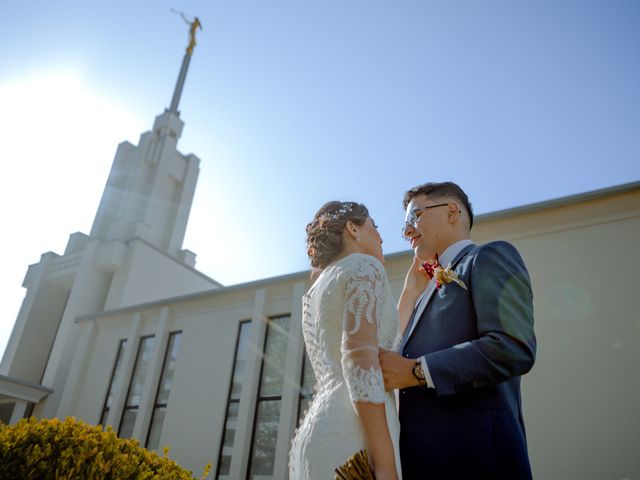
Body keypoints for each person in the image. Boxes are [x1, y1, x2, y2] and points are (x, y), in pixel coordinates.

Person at [379, 181, 536, 479]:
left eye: (415, 217)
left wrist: (417, 371)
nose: (407, 231)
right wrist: (410, 293)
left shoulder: (488, 258)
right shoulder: (421, 290)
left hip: (479, 460)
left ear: (452, 211)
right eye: (404, 226)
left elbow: (512, 345)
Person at [289, 201, 401, 480]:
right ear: (353, 229)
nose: (381, 236)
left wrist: (411, 288)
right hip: (356, 437)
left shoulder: (318, 288)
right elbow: (359, 358)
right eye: (374, 226)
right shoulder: (365, 266)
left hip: (317, 431)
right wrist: (385, 461)